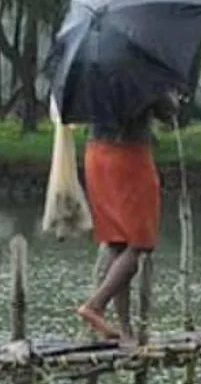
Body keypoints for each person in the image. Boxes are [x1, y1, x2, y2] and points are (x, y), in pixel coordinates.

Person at [75, 92, 178, 341]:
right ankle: (95, 305)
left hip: (96, 154)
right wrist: (170, 99)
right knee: (140, 243)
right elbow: (167, 111)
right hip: (129, 156)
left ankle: (124, 329)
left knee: (116, 240)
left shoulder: (94, 72)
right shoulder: (141, 74)